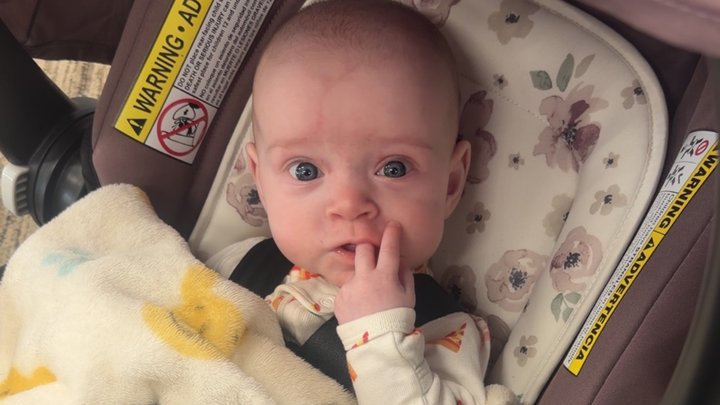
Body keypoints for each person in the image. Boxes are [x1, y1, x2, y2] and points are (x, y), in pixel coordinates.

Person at [210, 0, 517, 403]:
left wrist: (381, 337)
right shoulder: (240, 265)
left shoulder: (444, 330)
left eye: (394, 168)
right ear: (261, 182)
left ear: (450, 184)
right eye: (305, 170)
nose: (349, 204)